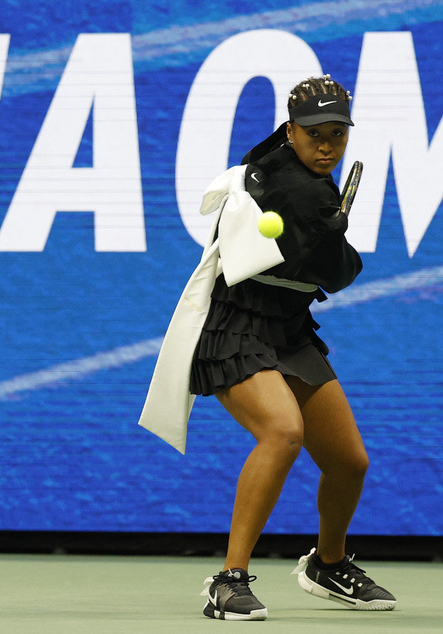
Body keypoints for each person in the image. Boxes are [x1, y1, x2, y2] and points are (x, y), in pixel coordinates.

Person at [138, 75, 396, 621]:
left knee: (349, 461)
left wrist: (330, 239)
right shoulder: (287, 184)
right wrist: (331, 239)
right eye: (313, 134)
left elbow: (332, 269)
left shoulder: (310, 178)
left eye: (336, 134)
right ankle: (228, 581)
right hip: (234, 327)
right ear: (291, 130)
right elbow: (341, 272)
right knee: (282, 432)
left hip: (288, 329)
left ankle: (327, 563)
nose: (326, 146)